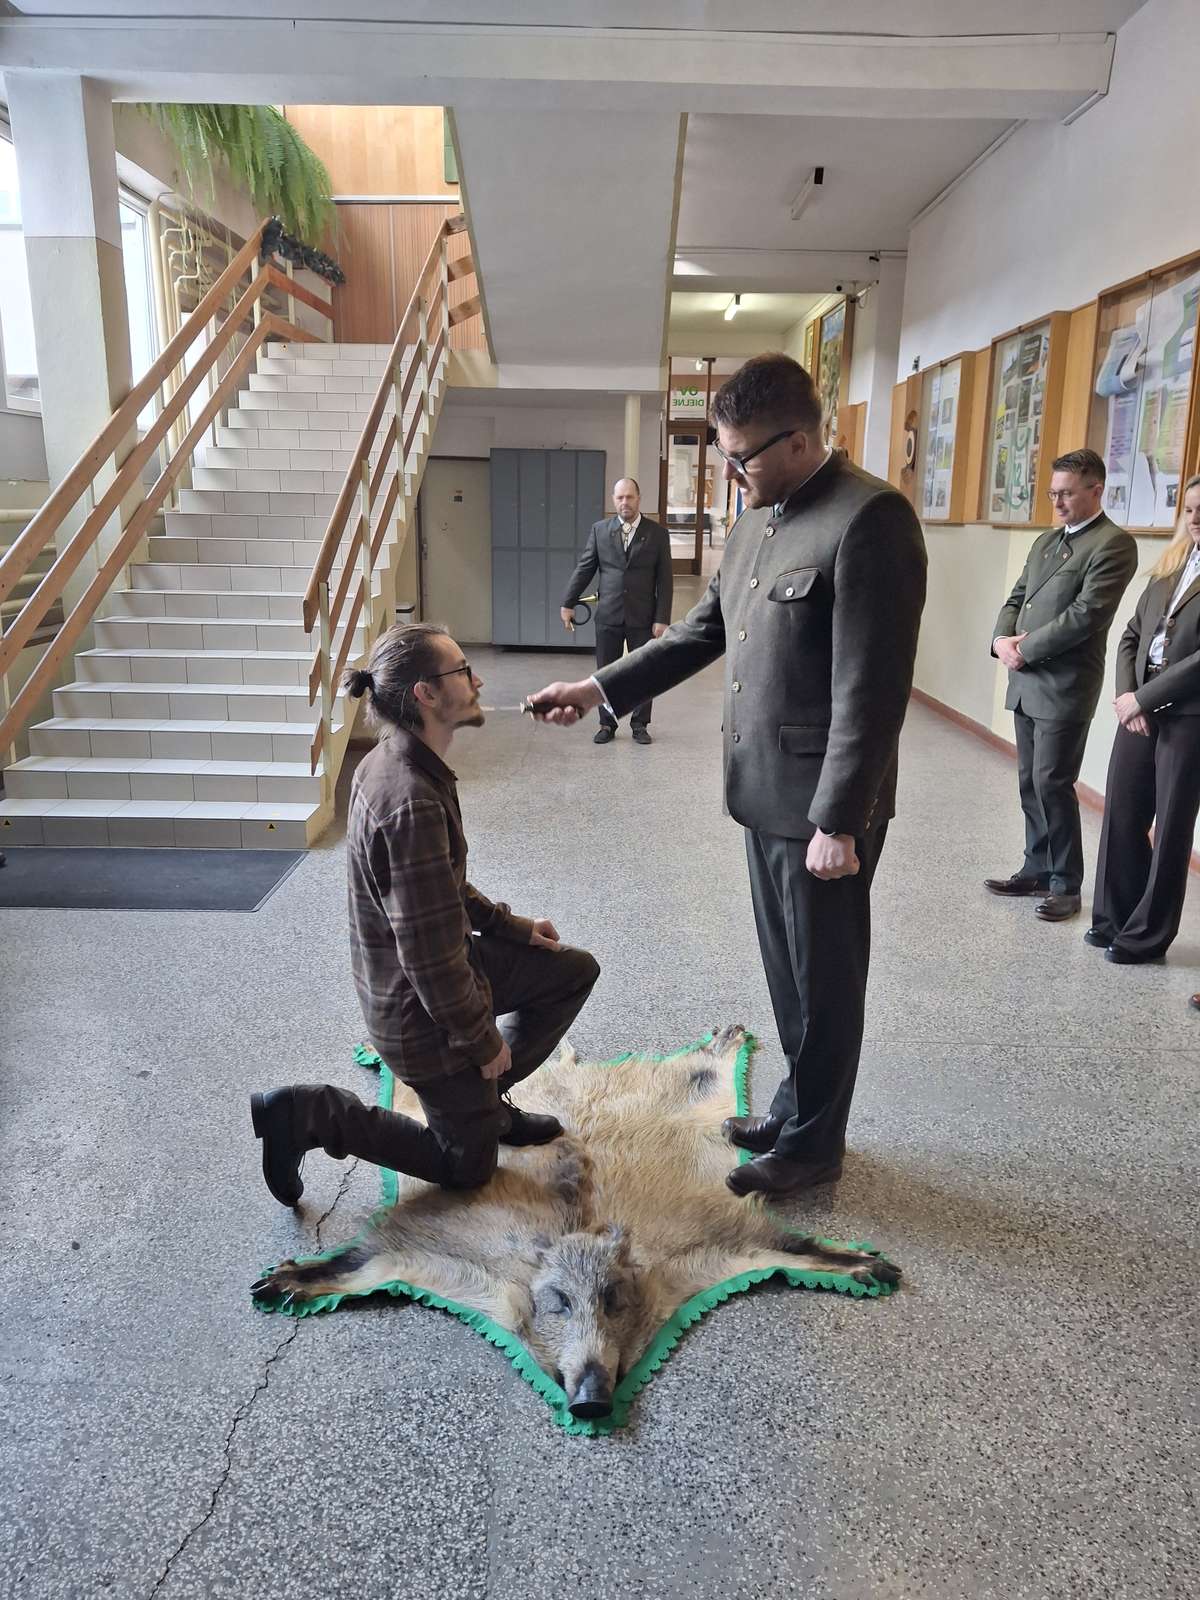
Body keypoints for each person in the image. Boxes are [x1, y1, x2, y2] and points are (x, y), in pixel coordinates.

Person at [530, 353, 926, 1198]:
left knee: (826, 979)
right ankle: (795, 1107)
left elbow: (873, 687)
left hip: (822, 809)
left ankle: (815, 1145)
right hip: (762, 791)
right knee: (790, 975)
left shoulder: (869, 519)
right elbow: (699, 634)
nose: (730, 472)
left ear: (799, 441)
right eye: (725, 454)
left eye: (741, 456)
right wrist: (599, 688)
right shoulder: (756, 521)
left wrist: (840, 819)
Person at [250, 622, 600, 1204]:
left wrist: (512, 927)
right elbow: (430, 962)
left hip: (434, 975)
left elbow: (442, 889)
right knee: (466, 1166)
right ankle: (310, 1113)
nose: (478, 680)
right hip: (417, 1011)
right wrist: (483, 1042)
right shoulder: (410, 799)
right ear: (426, 693)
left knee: (571, 970)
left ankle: (481, 1103)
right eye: (463, 670)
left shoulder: (399, 760)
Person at [987, 448, 1138, 922]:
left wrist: (1024, 649)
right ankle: (1036, 867)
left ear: (1097, 490)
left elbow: (1086, 616)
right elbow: (1017, 598)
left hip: (1064, 685)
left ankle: (1065, 884)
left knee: (1053, 782)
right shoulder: (1046, 542)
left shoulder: (1113, 544)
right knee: (1029, 782)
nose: (1057, 503)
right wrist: (1000, 641)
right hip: (1026, 679)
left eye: (1067, 494)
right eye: (1053, 493)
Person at [1087, 475, 1200, 965]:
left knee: (1170, 826)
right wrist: (1125, 695)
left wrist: (1145, 698)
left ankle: (1147, 937)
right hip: (1139, 708)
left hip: (1188, 715)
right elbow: (1132, 634)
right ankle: (1112, 919)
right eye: (1190, 510)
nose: (1195, 519)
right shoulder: (1171, 565)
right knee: (1123, 813)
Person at [560, 476, 673, 746]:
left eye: (629, 497)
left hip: (643, 616)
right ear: (613, 500)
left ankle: (639, 724)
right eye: (620, 497)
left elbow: (665, 580)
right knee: (605, 673)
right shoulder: (600, 530)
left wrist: (662, 619)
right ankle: (607, 724)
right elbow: (585, 568)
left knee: (644, 672)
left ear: (639, 499)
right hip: (608, 615)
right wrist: (568, 602)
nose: (625, 502)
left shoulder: (657, 534)